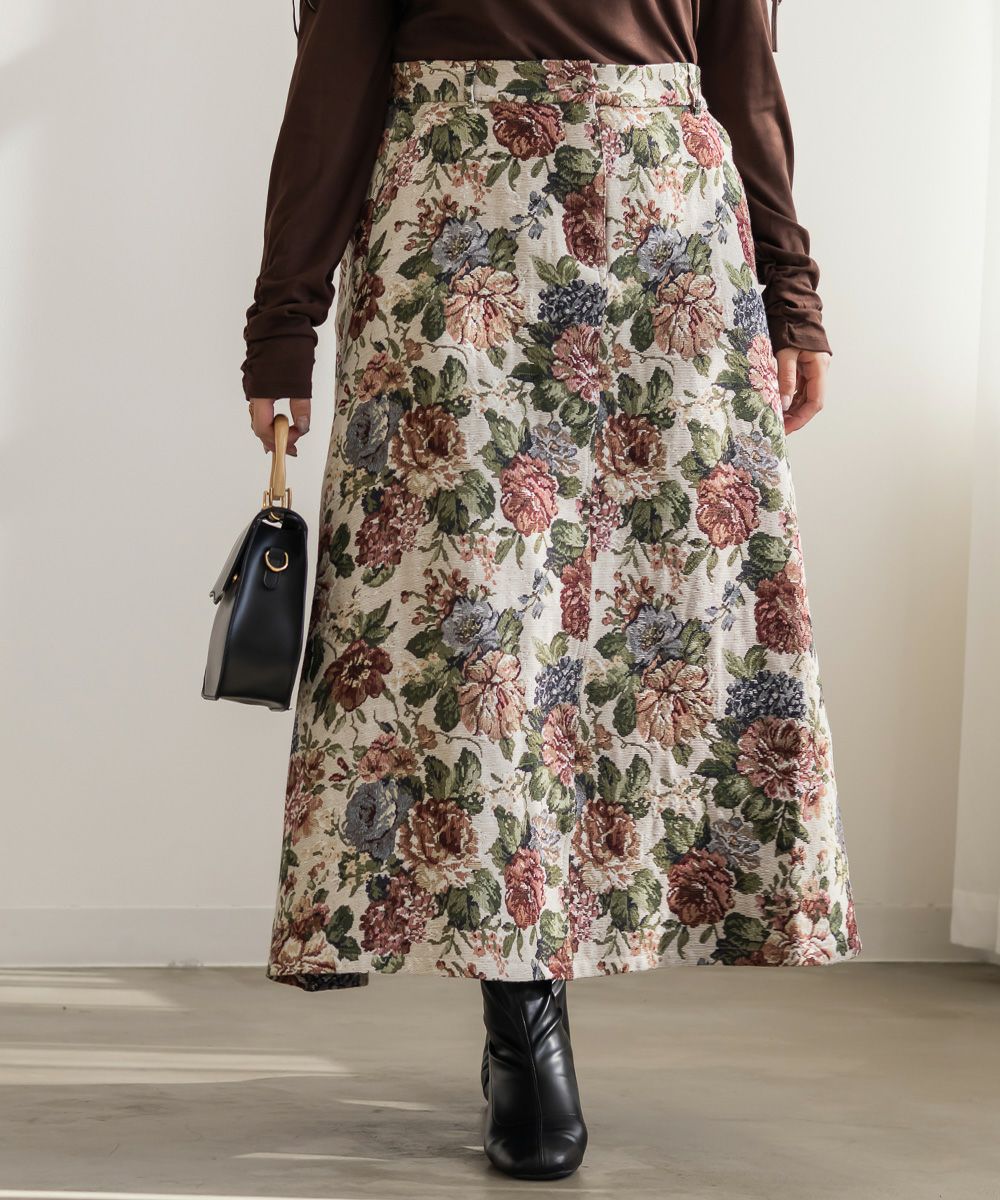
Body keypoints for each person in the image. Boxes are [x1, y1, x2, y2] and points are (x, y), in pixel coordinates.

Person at [241, 0, 861, 1181]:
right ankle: (522, 1018)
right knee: (478, 636)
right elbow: (336, 74)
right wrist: (284, 322)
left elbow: (743, 63)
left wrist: (793, 290)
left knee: (663, 624)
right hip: (458, 230)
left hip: (666, 233)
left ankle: (546, 990)